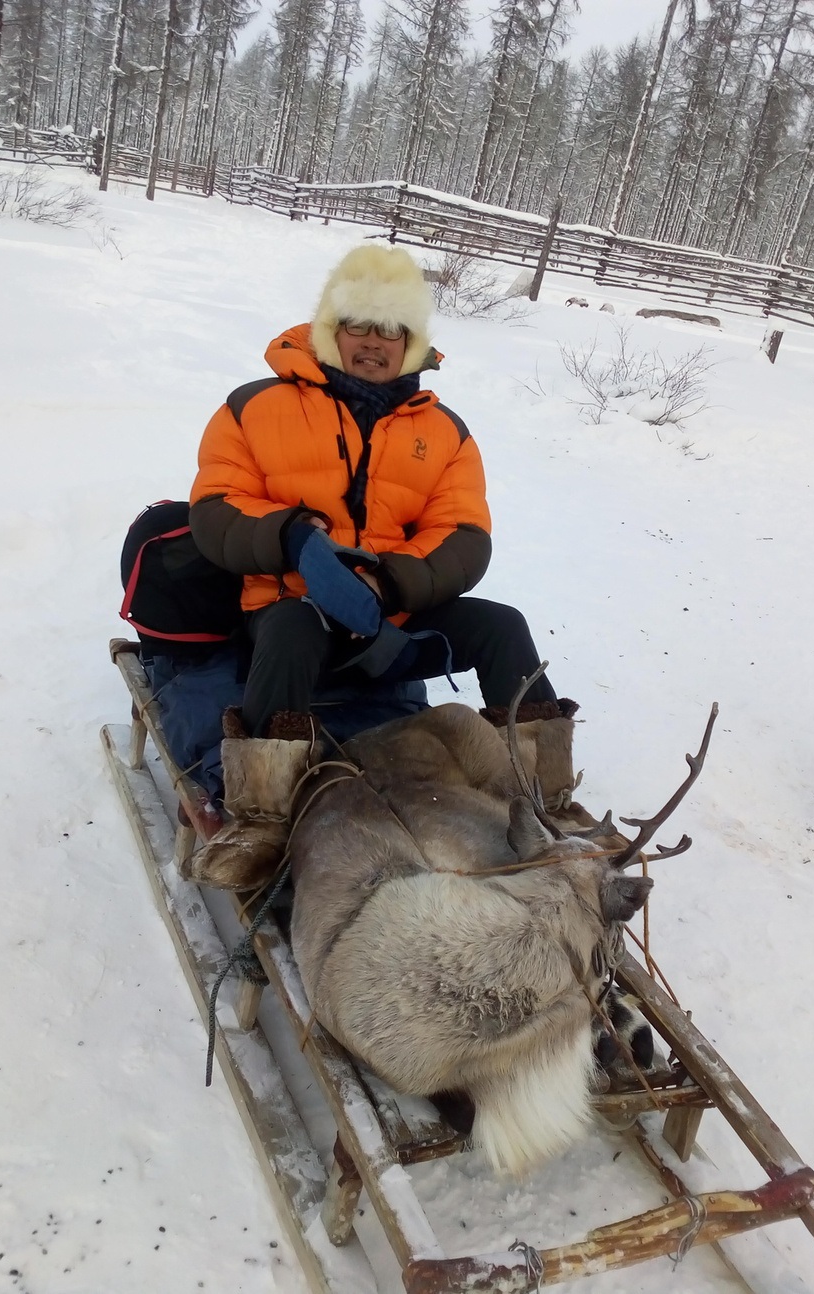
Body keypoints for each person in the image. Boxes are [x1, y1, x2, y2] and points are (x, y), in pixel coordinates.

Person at [188, 244, 577, 890]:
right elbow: (215, 509)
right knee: (288, 627)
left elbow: (464, 535)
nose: (374, 342)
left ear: (413, 342)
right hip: (296, 614)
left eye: (392, 330)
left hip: (395, 621)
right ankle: (260, 818)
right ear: (330, 331)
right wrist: (294, 540)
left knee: (503, 626)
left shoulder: (446, 434)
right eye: (360, 325)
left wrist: (392, 579)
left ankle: (548, 803)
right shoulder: (255, 407)